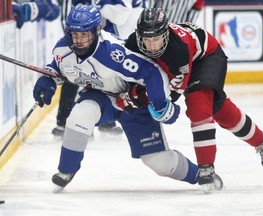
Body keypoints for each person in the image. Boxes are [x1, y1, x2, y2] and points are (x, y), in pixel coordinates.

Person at [32, 4, 223, 194]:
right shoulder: (63, 48)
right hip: (101, 98)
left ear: (97, 31)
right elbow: (58, 67)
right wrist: (48, 79)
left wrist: (160, 103)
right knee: (80, 115)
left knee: (159, 162)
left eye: (85, 34)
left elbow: (152, 72)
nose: (79, 40)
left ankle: (198, 175)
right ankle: (66, 170)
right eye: (75, 34)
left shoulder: (114, 53)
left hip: (134, 103)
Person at [118, 8, 263, 193]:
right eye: (147, 40)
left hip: (206, 57)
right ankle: (262, 140)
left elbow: (171, 94)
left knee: (198, 105)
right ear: (138, 36)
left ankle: (206, 168)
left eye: (156, 39)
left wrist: (140, 97)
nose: (152, 46)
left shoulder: (178, 49)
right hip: (181, 66)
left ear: (166, 34)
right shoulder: (132, 44)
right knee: (218, 109)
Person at [50, 0, 148, 138]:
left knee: (104, 74)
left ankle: (105, 120)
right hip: (78, 27)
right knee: (72, 66)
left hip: (101, 34)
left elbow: (121, 14)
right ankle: (64, 120)